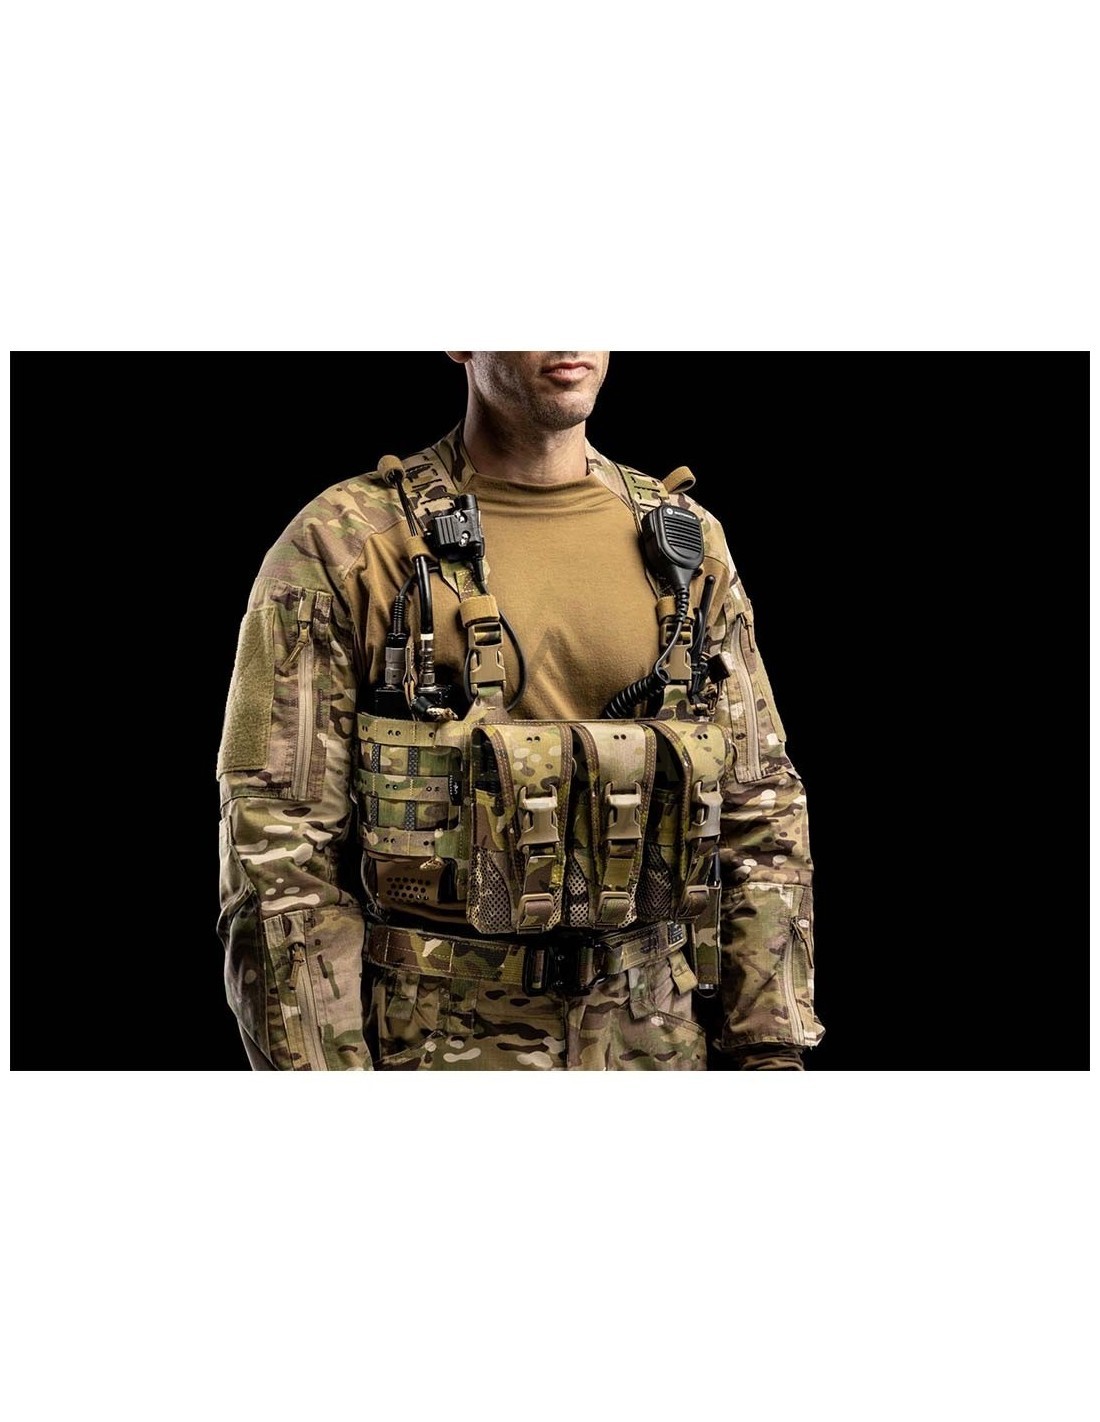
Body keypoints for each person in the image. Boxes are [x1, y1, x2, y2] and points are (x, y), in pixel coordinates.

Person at [216, 352, 823, 1070]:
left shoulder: (687, 545)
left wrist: (771, 1052)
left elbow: (761, 811)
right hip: (434, 1049)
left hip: (655, 1043)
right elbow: (277, 849)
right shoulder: (346, 543)